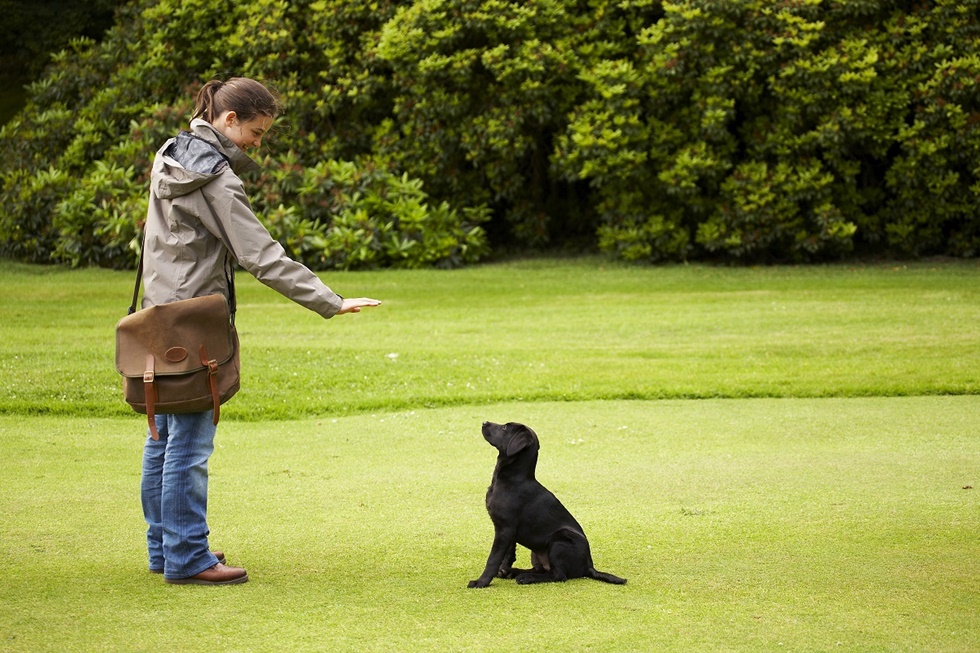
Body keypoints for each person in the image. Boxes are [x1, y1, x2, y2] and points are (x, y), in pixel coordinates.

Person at [139, 77, 381, 585]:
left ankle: (166, 548)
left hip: (158, 312)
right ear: (228, 120)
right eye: (256, 130)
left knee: (162, 433)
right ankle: (187, 557)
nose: (257, 142)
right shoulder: (215, 179)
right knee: (190, 439)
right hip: (197, 316)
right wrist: (330, 302)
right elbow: (261, 255)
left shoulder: (171, 153)